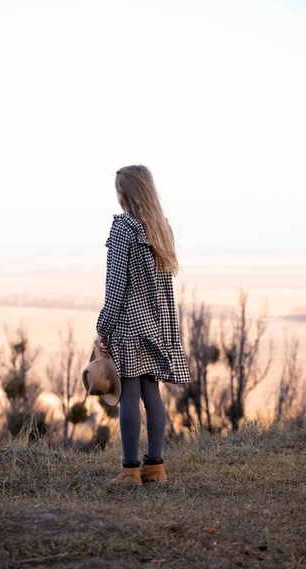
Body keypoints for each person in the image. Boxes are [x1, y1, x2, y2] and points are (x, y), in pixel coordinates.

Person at [95, 164, 191, 486]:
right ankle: (156, 468)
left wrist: (103, 327)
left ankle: (130, 470)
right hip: (159, 324)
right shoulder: (162, 228)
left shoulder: (123, 228)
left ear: (125, 193)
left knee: (129, 395)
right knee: (153, 394)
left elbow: (116, 286)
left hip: (130, 325)